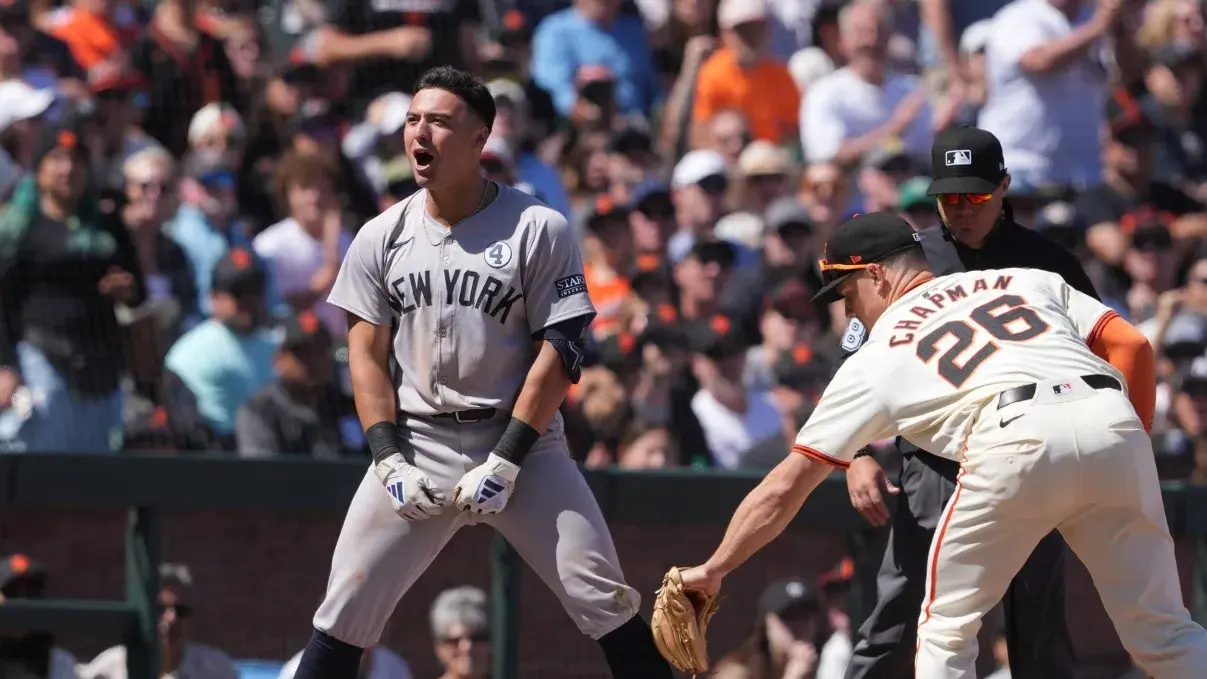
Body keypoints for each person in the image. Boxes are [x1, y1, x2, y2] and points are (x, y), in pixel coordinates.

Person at [671, 210, 1207, 678]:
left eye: (846, 294)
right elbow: (1132, 344)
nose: (848, 313)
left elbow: (787, 486)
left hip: (1012, 436)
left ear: (877, 276)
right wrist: (1121, 439)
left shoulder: (878, 355)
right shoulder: (1024, 279)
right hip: (1110, 420)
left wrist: (716, 566)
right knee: (1164, 632)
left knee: (947, 633)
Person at [291, 66, 673, 679]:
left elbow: (564, 347)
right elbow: (363, 355)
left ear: (479, 138)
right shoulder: (379, 236)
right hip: (418, 441)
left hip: (524, 443)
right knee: (345, 609)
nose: (421, 132)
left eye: (440, 121)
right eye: (413, 120)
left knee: (602, 594)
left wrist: (508, 458)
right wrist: (386, 457)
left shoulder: (537, 226)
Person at [841, 125, 1090, 679]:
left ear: (1004, 186)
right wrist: (856, 452)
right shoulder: (906, 261)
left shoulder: (1049, 263)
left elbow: (1101, 354)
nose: (961, 208)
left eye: (974, 195)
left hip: (1033, 458)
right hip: (935, 463)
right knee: (897, 618)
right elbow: (854, 364)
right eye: (949, 197)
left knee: (1038, 626)